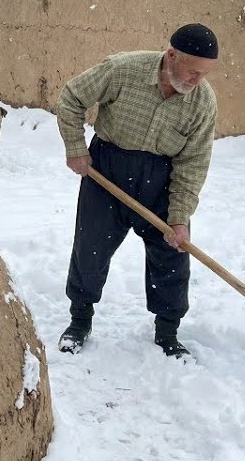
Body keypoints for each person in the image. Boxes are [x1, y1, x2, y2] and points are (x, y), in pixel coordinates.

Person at [55, 23, 219, 359]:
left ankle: (168, 332)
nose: (195, 81)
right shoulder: (123, 70)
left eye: (203, 74)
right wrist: (76, 147)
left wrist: (179, 217)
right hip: (107, 171)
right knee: (91, 248)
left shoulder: (202, 103)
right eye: (191, 71)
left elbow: (194, 163)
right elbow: (72, 97)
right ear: (171, 55)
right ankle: (79, 321)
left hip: (163, 179)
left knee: (172, 253)